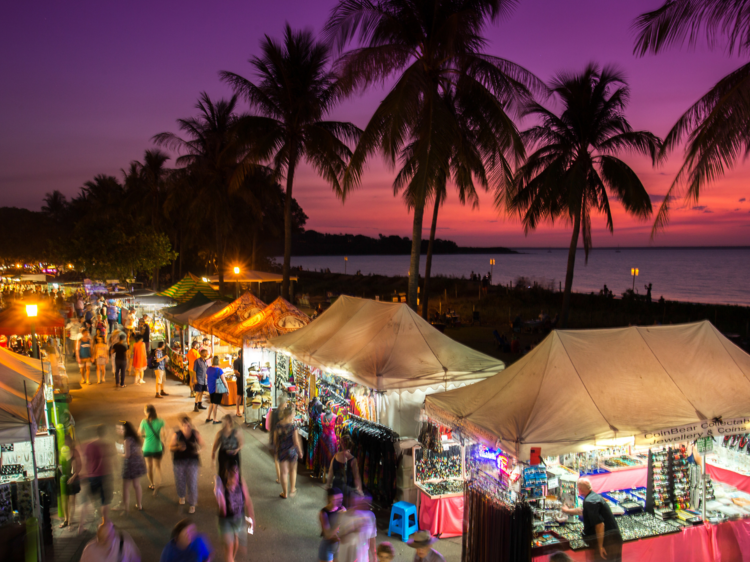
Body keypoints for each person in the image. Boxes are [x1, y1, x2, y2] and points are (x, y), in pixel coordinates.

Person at [561, 478, 622, 562]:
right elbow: (582, 511)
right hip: (614, 538)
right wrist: (567, 510)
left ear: (580, 489)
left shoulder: (589, 501)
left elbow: (600, 525)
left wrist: (600, 546)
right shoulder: (594, 497)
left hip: (608, 541)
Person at [214, 464, 255, 562]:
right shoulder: (222, 488)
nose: (235, 481)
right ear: (227, 478)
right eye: (232, 478)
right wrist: (221, 498)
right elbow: (223, 511)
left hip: (238, 518)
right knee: (229, 546)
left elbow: (248, 500)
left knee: (235, 543)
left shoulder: (241, 483)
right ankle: (230, 559)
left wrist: (252, 516)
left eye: (236, 478)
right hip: (226, 520)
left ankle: (231, 558)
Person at [170, 416, 203, 513]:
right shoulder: (177, 435)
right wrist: (177, 447)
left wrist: (198, 450)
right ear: (181, 426)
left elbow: (202, 445)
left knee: (192, 482)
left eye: (188, 425)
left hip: (192, 461)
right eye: (184, 426)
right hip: (179, 461)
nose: (186, 428)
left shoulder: (195, 434)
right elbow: (170, 446)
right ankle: (181, 495)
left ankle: (192, 504)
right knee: (180, 480)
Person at [84, 425, 114, 524]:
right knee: (105, 501)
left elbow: (86, 461)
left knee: (94, 498)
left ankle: (97, 515)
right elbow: (111, 460)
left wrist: (86, 473)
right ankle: (104, 521)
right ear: (105, 434)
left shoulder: (89, 446)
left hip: (93, 476)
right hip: (106, 475)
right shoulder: (107, 445)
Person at [116, 421, 147, 512]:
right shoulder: (135, 438)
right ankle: (139, 505)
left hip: (130, 465)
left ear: (126, 430)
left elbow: (127, 455)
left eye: (121, 429)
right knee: (137, 485)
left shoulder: (127, 441)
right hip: (137, 463)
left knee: (125, 486)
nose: (120, 431)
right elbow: (138, 450)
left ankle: (126, 507)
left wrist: (119, 453)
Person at [338, 493, 377, 562]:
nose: (366, 506)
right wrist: (352, 530)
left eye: (368, 504)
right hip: (346, 557)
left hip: (362, 558)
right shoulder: (346, 516)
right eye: (363, 503)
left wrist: (374, 556)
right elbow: (341, 538)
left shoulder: (371, 516)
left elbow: (372, 538)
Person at [326, 435, 363, 504]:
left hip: (336, 485)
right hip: (347, 488)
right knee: (345, 509)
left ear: (341, 444)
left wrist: (328, 484)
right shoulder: (353, 460)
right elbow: (356, 477)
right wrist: (359, 490)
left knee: (335, 506)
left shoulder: (336, 456)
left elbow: (331, 472)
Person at [275, 407, 302, 499]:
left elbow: (275, 440)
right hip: (292, 451)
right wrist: (300, 451)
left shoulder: (278, 425)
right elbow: (296, 442)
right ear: (290, 415)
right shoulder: (293, 426)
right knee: (293, 470)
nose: (294, 415)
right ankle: (292, 489)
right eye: (294, 413)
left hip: (282, 451)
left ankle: (285, 493)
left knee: (283, 473)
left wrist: (277, 449)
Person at [139, 405, 166, 494]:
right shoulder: (160, 421)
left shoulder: (144, 422)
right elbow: (164, 434)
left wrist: (145, 437)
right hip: (157, 447)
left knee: (149, 466)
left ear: (147, 412)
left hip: (147, 448)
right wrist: (163, 440)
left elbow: (139, 433)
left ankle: (152, 484)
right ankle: (158, 483)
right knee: (158, 466)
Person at [60, 435, 82, 529]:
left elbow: (79, 466)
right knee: (64, 500)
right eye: (65, 443)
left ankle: (70, 521)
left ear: (71, 443)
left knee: (72, 501)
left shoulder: (74, 452)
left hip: (73, 479)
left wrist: (74, 476)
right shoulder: (62, 452)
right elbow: (59, 465)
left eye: (68, 443)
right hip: (64, 479)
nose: (66, 444)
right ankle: (66, 519)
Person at [319, 487, 346, 562]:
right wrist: (339, 520)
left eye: (341, 498)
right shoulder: (323, 513)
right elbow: (328, 535)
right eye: (337, 499)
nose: (340, 501)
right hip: (327, 547)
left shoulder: (342, 508)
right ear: (330, 499)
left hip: (339, 546)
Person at [270, 396, 288, 483]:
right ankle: (283, 476)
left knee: (277, 458)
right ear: (283, 403)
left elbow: (272, 426)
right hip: (283, 438)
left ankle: (279, 478)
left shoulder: (274, 413)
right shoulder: (285, 414)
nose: (287, 404)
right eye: (286, 403)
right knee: (282, 458)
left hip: (276, 437)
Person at [206, 356, 229, 424]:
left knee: (212, 402)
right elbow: (224, 381)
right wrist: (227, 389)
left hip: (211, 388)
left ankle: (208, 417)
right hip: (217, 389)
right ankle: (215, 419)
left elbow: (206, 377)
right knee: (215, 404)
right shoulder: (219, 370)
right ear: (218, 361)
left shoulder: (209, 369)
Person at [233, 349, 244, 418]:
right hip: (240, 381)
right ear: (240, 354)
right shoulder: (236, 361)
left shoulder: (244, 360)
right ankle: (237, 411)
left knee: (244, 395)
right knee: (239, 395)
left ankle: (244, 409)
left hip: (244, 381)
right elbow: (236, 372)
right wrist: (242, 376)